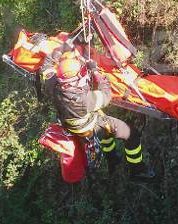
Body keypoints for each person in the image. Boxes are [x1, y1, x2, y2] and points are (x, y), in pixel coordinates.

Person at [41, 50, 156, 180]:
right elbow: (106, 95)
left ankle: (112, 159)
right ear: (76, 78)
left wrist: (58, 52)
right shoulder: (83, 100)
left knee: (106, 135)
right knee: (131, 134)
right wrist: (95, 71)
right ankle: (137, 170)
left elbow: (45, 68)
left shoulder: (53, 85)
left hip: (76, 129)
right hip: (93, 126)